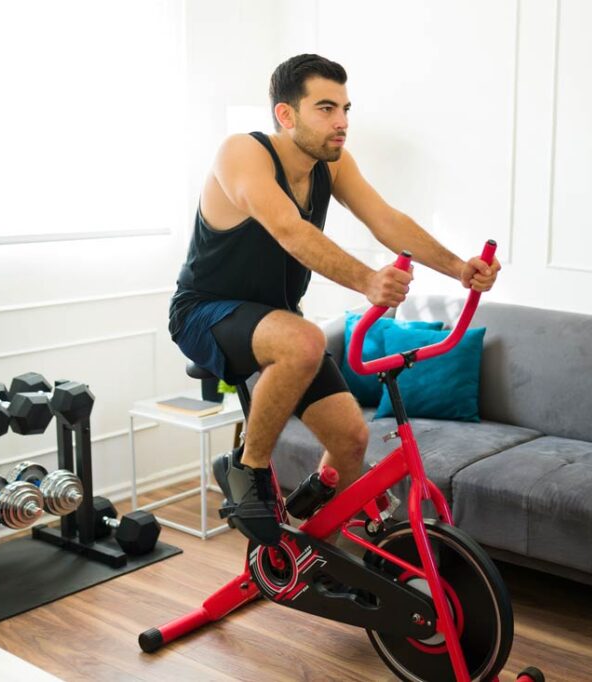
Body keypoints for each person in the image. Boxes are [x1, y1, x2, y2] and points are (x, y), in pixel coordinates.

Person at [168, 54, 500, 546]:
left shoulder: (333, 164)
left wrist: (459, 268)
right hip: (205, 311)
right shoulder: (242, 153)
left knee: (351, 439)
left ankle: (325, 544)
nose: (342, 121)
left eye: (345, 108)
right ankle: (246, 469)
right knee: (303, 340)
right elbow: (288, 229)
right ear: (287, 114)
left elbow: (385, 219)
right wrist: (367, 280)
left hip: (277, 320)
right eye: (326, 108)